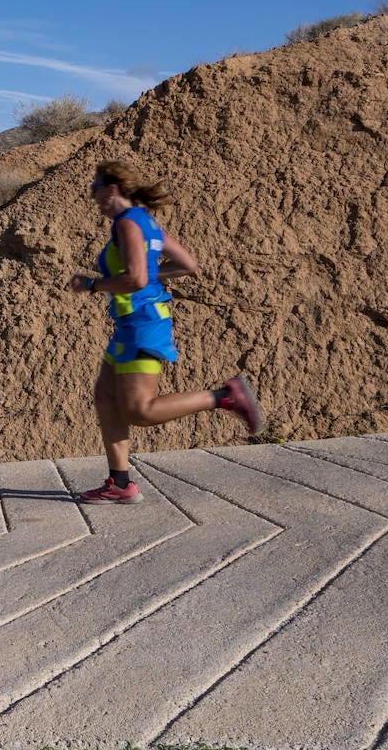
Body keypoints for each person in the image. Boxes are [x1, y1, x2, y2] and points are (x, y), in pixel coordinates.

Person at [67, 160, 263, 504]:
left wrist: (94, 284)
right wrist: (149, 277)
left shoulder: (127, 224)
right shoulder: (146, 223)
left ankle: (224, 396)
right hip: (131, 324)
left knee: (140, 411)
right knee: (105, 398)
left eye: (94, 187)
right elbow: (187, 264)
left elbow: (137, 279)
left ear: (112, 189)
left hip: (142, 325)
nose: (92, 194)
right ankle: (120, 483)